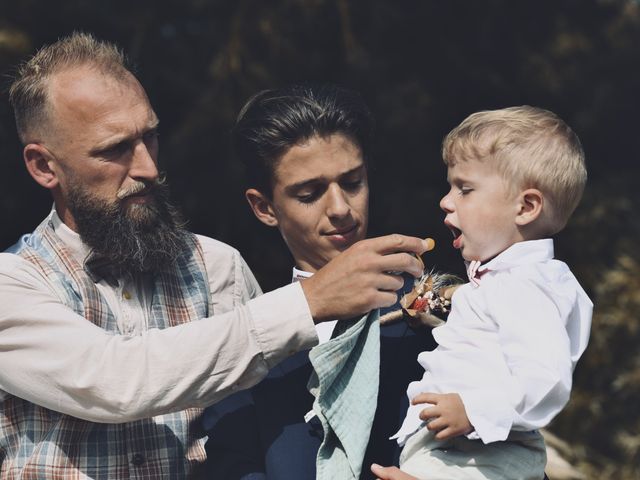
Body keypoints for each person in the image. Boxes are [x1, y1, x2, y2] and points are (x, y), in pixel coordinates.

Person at [0, 33, 431, 478]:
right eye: (114, 150)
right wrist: (309, 301)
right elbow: (113, 381)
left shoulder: (215, 266)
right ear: (43, 166)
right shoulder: (12, 284)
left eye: (150, 136)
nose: (147, 167)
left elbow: (255, 431)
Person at [204, 84, 437, 479]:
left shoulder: (439, 309)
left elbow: (515, 453)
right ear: (264, 208)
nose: (341, 209)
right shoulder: (244, 342)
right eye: (310, 193)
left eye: (352, 182)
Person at [382, 106, 593, 480]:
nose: (446, 201)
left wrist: (473, 410)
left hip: (482, 450)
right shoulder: (504, 282)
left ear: (526, 207)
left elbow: (545, 380)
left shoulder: (528, 286)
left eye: (464, 189)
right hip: (462, 447)